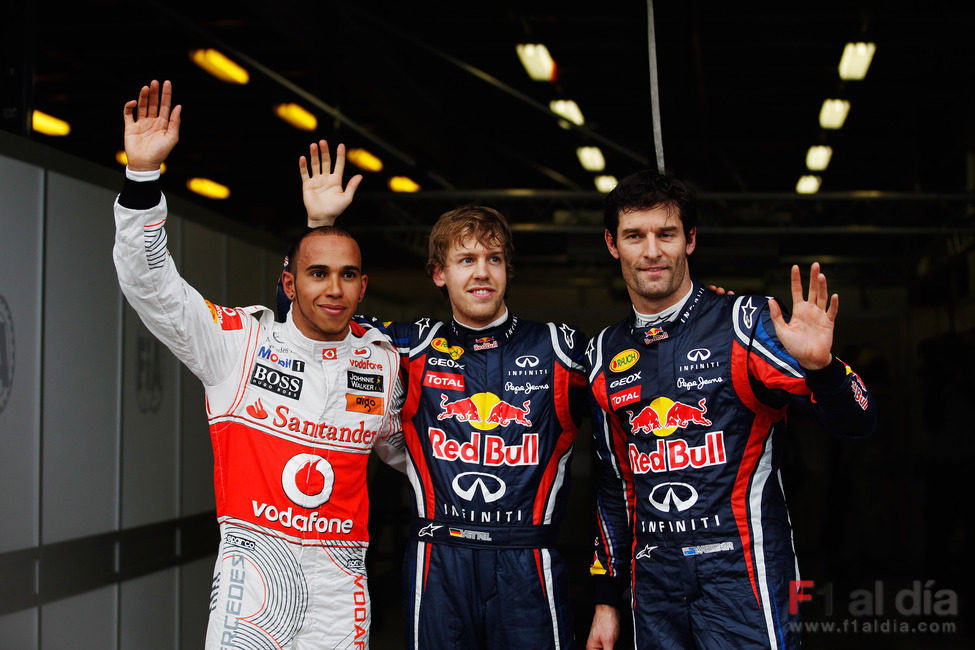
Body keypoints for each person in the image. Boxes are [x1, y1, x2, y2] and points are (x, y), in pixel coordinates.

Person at [114, 80, 404, 650]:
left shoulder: (382, 364)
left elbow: (421, 457)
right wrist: (143, 177)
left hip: (340, 592)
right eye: (318, 273)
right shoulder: (238, 346)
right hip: (254, 586)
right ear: (289, 283)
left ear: (364, 286)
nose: (334, 288)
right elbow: (153, 285)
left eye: (348, 275)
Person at [300, 140, 588, 649]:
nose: (482, 271)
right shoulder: (407, 347)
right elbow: (313, 315)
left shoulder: (559, 348)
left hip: (528, 564)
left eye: (493, 258)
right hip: (438, 560)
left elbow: (647, 370)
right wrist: (319, 226)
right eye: (466, 259)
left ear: (507, 270)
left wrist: (698, 310)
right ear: (439, 273)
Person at [584, 170, 876, 649]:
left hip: (745, 574)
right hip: (652, 585)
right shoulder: (601, 355)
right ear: (613, 245)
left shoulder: (747, 324)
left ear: (690, 240)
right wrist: (605, 599)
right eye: (635, 235)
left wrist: (823, 368)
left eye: (667, 233)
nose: (652, 250)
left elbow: (857, 423)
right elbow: (614, 487)